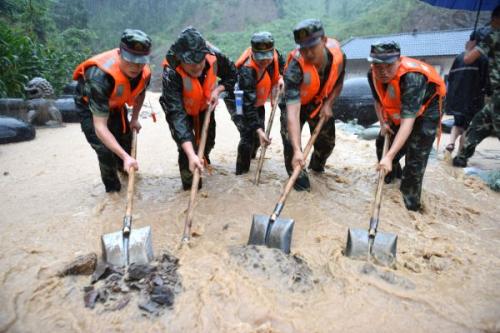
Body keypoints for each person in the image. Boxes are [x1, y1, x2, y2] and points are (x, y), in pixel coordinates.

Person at [367, 42, 446, 211]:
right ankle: (391, 178)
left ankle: (410, 206)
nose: (383, 71)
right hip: (401, 108)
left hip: (427, 109)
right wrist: (383, 123)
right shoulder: (372, 74)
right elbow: (378, 100)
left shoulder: (413, 78)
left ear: (398, 61)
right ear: (372, 64)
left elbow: (408, 123)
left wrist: (389, 156)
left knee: (415, 157)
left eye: (389, 66)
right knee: (382, 143)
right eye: (378, 66)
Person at [73, 29, 152, 193]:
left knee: (126, 138)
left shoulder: (143, 72)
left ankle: (127, 171)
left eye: (140, 61)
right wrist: (125, 156)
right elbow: (100, 127)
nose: (136, 66)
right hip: (91, 106)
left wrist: (134, 118)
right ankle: (113, 192)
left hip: (116, 101)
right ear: (120, 53)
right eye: (130, 59)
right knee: (104, 150)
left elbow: (140, 92)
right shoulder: (99, 77)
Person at [160, 27, 237, 190]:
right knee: (186, 150)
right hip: (182, 111)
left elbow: (232, 74)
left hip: (204, 106)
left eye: (200, 61)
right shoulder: (171, 72)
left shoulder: (214, 56)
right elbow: (177, 116)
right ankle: (190, 187)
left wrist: (218, 90)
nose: (196, 67)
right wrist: (190, 153)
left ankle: (203, 159)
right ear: (180, 59)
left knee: (209, 140)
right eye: (191, 64)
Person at [281, 19, 346, 191]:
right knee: (292, 150)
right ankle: (302, 189)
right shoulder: (295, 68)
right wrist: (296, 149)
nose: (308, 53)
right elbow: (293, 114)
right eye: (303, 48)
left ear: (324, 41)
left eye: (312, 47)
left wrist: (329, 104)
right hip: (294, 106)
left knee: (327, 144)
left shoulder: (339, 57)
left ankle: (316, 169)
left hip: (319, 103)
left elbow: (338, 82)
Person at [453, 5, 500, 168]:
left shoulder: (493, 36)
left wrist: (469, 48)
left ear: (496, 19)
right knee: (480, 121)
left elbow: (468, 59)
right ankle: (462, 156)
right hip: (495, 96)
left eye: (492, 21)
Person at [232, 31, 285, 175]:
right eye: (260, 58)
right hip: (240, 102)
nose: (265, 61)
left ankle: (253, 157)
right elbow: (247, 106)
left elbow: (281, 67)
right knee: (248, 134)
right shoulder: (247, 71)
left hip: (258, 101)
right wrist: (259, 130)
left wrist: (280, 78)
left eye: (267, 57)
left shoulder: (275, 56)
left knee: (257, 133)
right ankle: (241, 174)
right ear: (253, 53)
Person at [445, 31, 489, 154]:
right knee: (467, 127)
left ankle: (450, 143)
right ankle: (460, 154)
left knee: (457, 122)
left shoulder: (459, 57)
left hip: (456, 98)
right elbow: (486, 81)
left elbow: (450, 78)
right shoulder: (483, 58)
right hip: (473, 99)